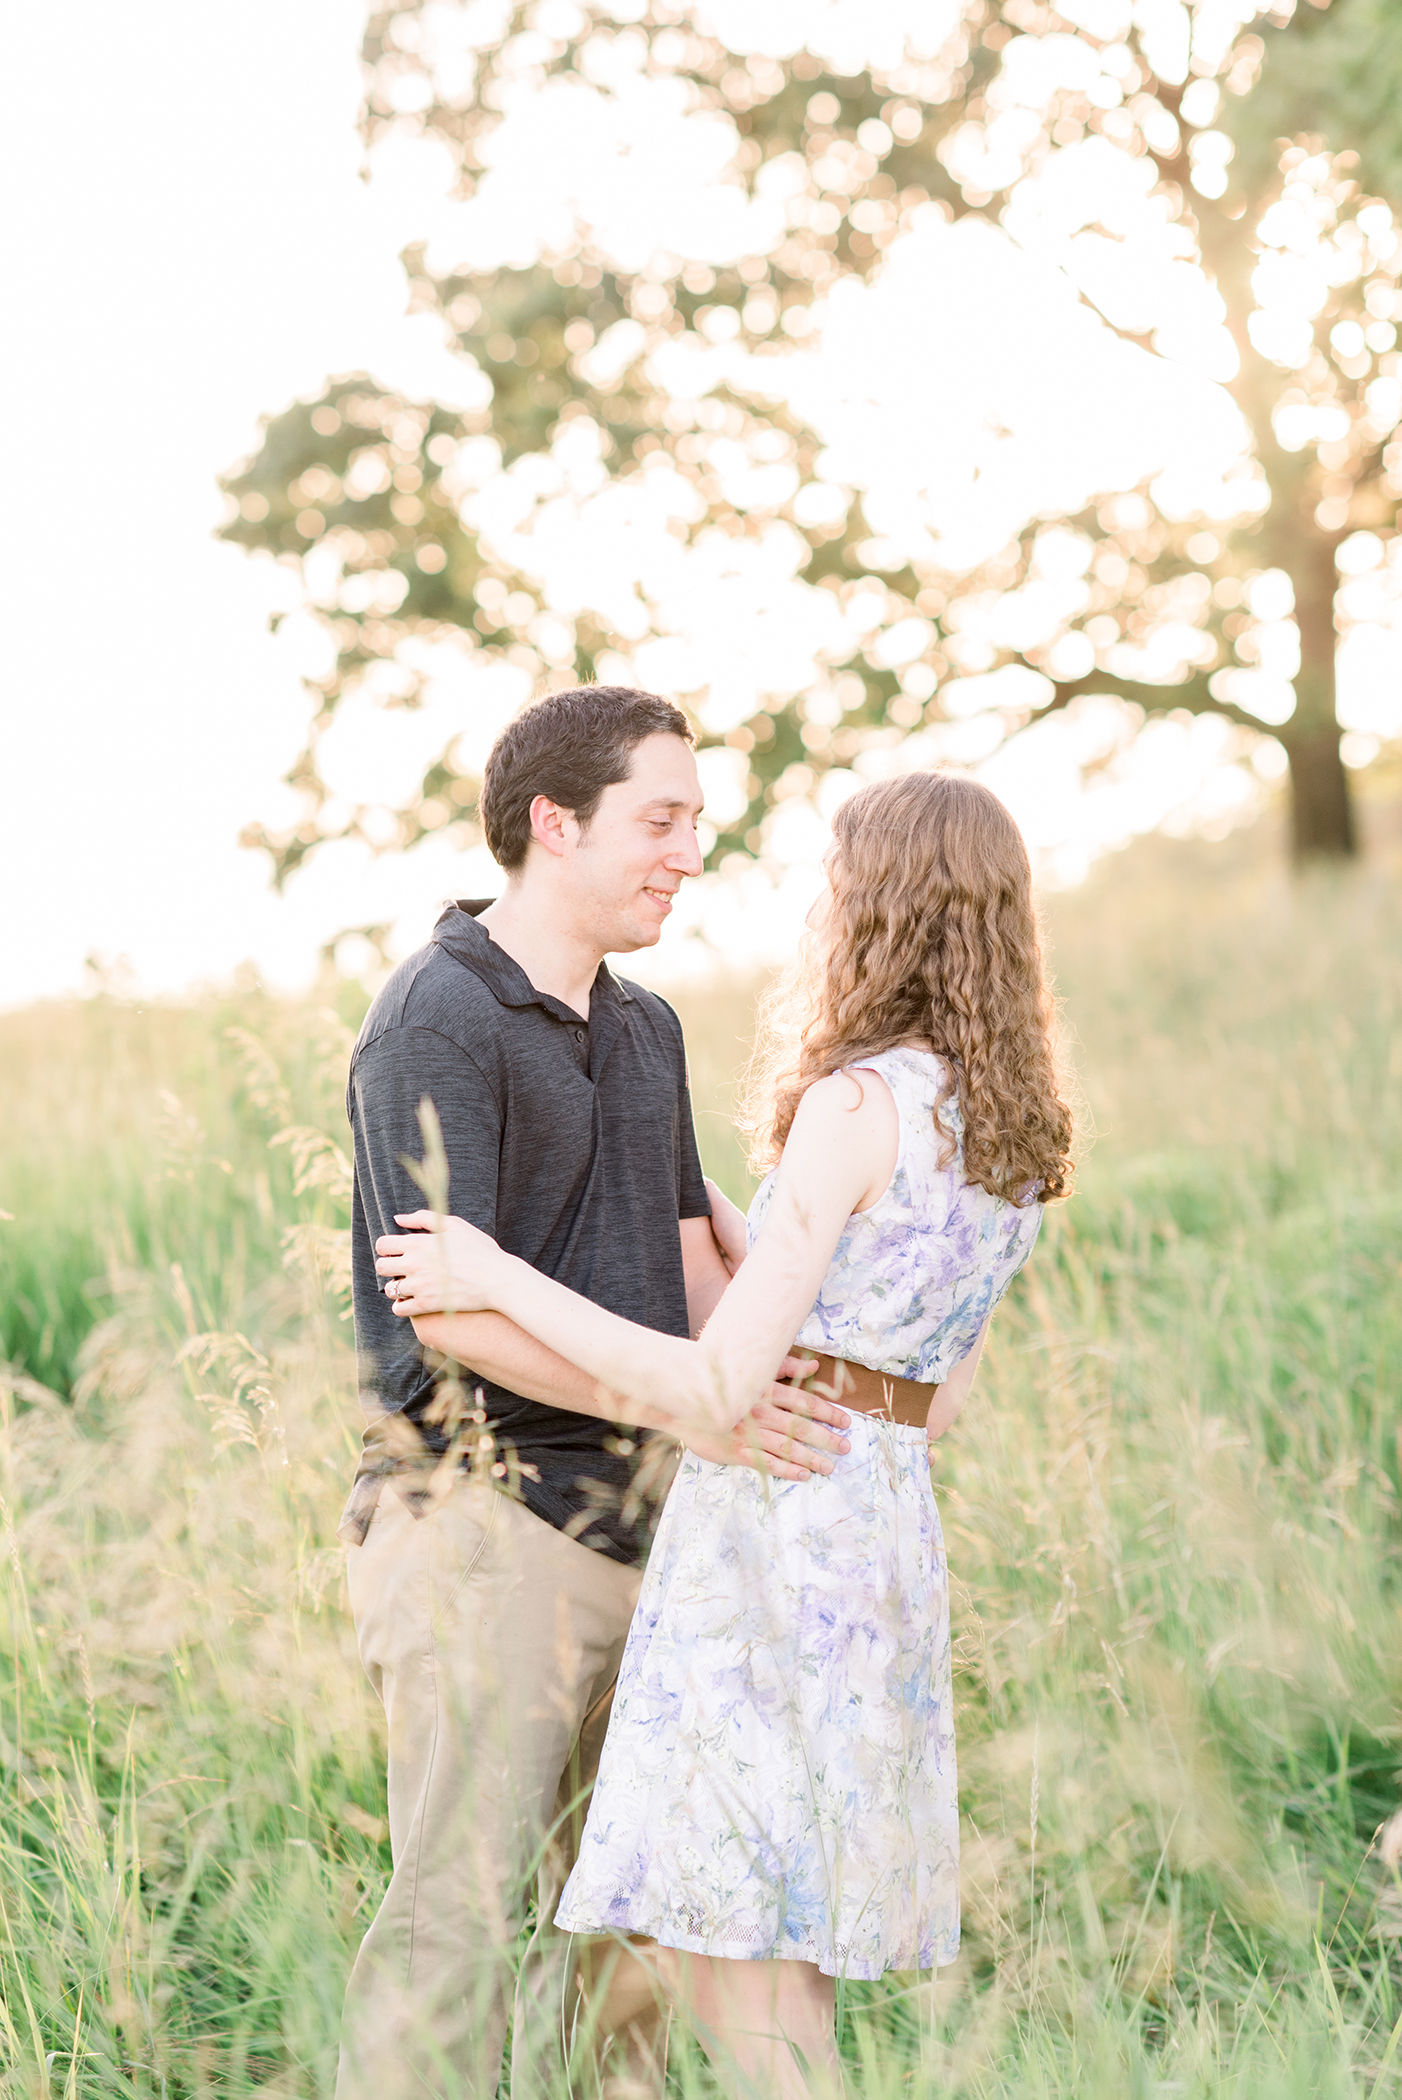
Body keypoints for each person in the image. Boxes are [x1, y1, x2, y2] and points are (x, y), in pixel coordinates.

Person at [376, 768, 1075, 2097]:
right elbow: (931, 1388)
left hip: (771, 1529)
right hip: (879, 1522)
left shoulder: (853, 1105)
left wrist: (491, 1269)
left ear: (873, 904)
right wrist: (753, 1241)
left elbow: (712, 1392)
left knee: (711, 1923)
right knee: (773, 1913)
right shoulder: (1007, 1127)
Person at [335, 685, 852, 2100]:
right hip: (481, 1526)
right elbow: (447, 1321)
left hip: (652, 1526)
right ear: (552, 823)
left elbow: (687, 1269)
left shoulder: (647, 1027)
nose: (688, 851)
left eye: (698, 823)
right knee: (454, 1922)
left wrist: (797, 1335)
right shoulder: (433, 1018)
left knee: (630, 1929)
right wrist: (692, 1407)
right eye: (660, 819)